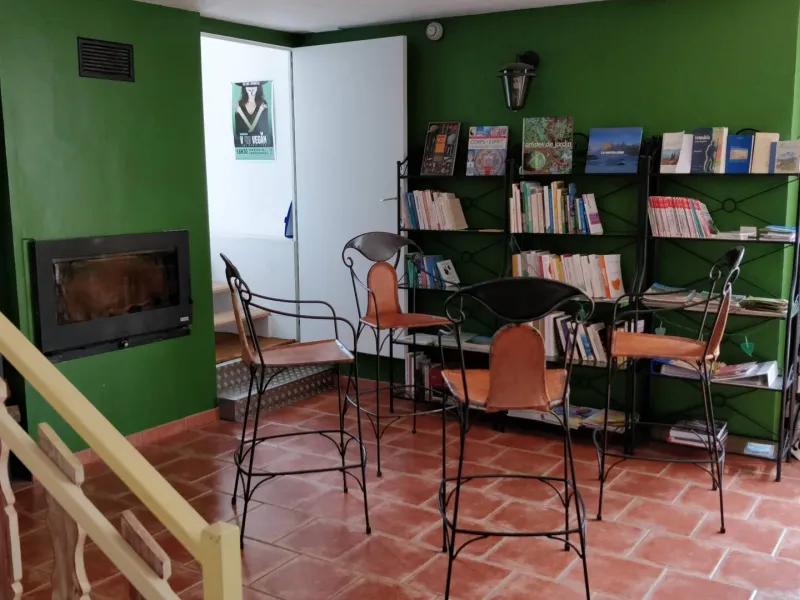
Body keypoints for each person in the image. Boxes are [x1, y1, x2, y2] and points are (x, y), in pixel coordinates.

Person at [234, 83, 273, 147]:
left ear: (258, 88)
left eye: (254, 87)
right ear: (244, 88)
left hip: (261, 145)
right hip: (243, 145)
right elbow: (239, 131)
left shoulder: (263, 103)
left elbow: (264, 129)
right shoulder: (239, 104)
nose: (251, 90)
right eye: (248, 88)